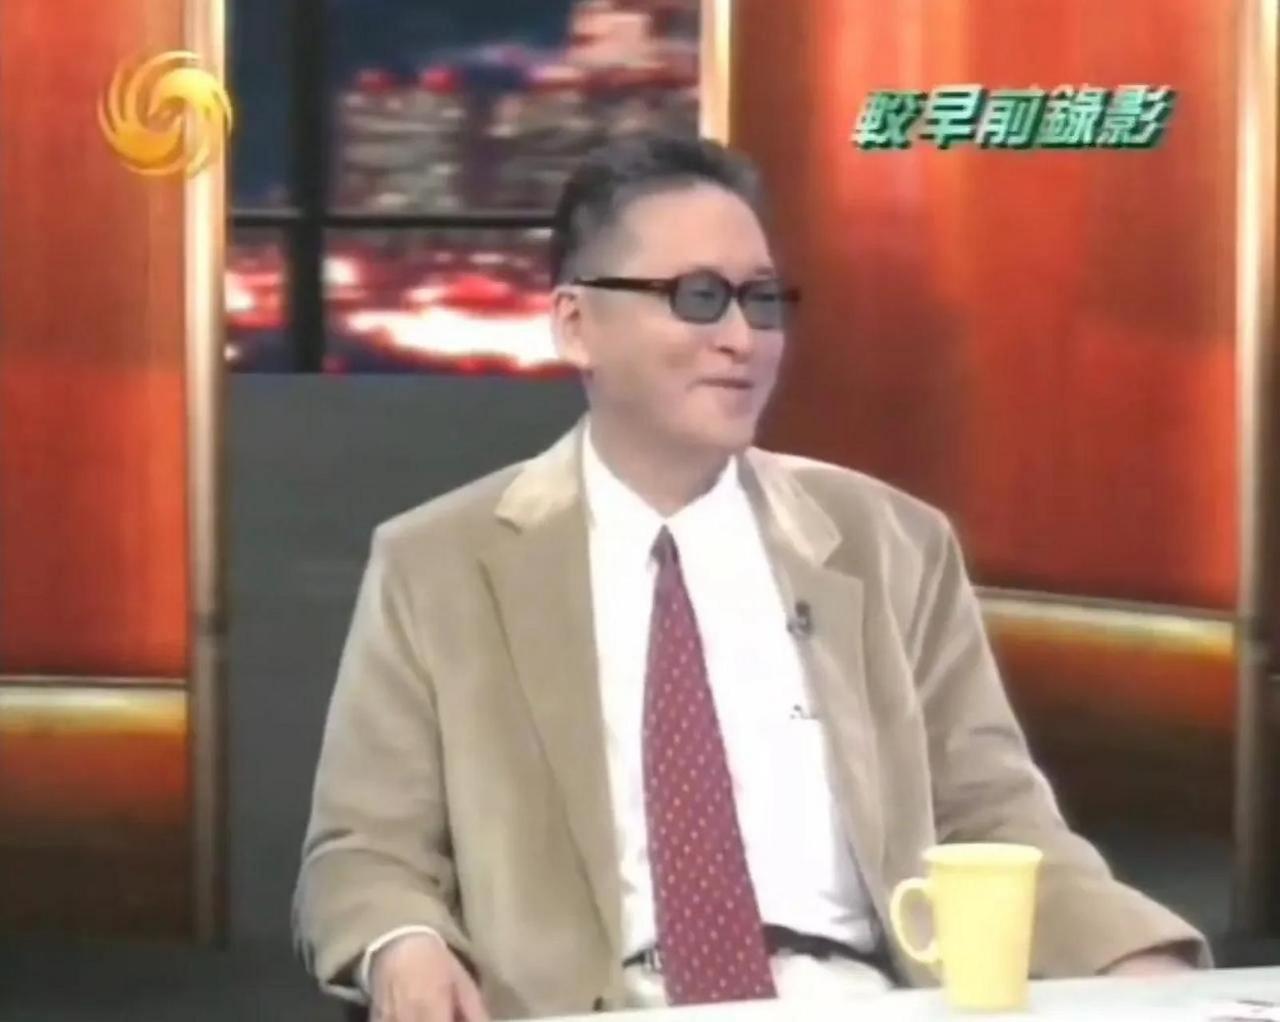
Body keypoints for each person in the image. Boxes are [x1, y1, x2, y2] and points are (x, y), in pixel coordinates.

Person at [294, 134, 1208, 1022]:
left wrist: (1135, 963)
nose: (742, 337)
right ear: (576, 324)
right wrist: (403, 945)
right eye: (697, 298)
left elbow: (995, 817)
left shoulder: (889, 543)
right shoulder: (439, 564)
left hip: (866, 999)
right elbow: (364, 851)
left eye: (762, 301)